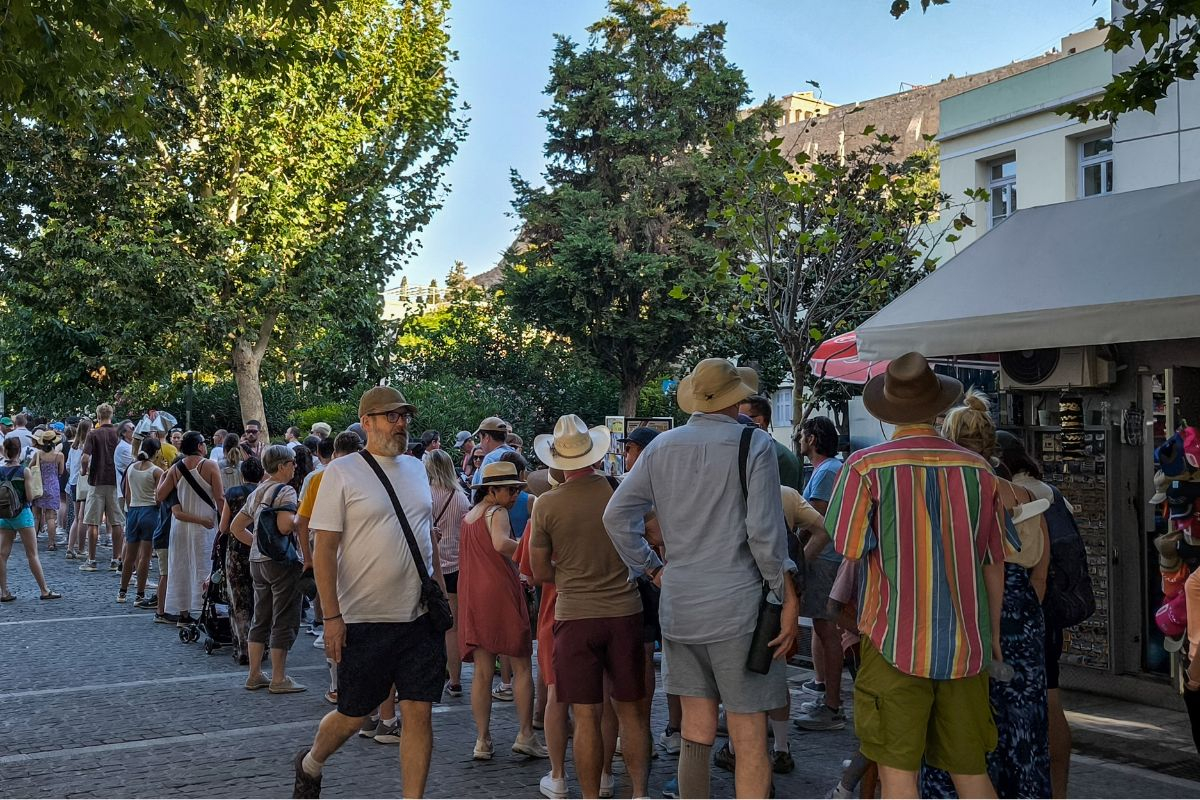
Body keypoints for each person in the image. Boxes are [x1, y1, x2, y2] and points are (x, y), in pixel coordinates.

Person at [604, 358, 798, 800]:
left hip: (681, 605)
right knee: (749, 737)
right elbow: (765, 536)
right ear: (736, 398)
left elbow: (616, 515)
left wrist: (651, 567)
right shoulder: (755, 444)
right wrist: (786, 595)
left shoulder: (662, 446)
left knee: (695, 733)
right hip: (740, 609)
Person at [826, 352, 1004, 799]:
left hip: (892, 640)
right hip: (966, 645)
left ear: (889, 410)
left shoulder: (865, 467)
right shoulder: (979, 470)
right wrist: (994, 636)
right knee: (971, 772)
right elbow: (992, 561)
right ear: (936, 406)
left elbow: (845, 547)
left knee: (898, 776)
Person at [293, 386, 446, 800]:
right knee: (352, 714)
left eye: (404, 416)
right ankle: (311, 762)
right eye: (391, 416)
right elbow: (324, 549)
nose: (401, 424)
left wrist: (442, 598)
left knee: (418, 713)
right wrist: (331, 617)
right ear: (367, 422)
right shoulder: (341, 474)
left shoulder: (417, 468)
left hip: (418, 618)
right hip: (364, 618)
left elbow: (425, 539)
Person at [921, 390, 1051, 800]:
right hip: (1025, 621)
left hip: (971, 619)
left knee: (966, 728)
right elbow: (1041, 575)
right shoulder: (1027, 497)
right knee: (1025, 726)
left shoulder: (956, 497)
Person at [531, 415, 648, 799]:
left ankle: (590, 796)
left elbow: (538, 571)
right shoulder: (619, 490)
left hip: (574, 615)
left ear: (556, 459)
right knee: (631, 713)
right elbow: (654, 534)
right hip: (624, 611)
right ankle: (638, 792)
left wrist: (569, 571)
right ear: (594, 455)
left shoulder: (546, 505)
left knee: (584, 716)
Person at [996, 429, 1077, 799]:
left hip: (1018, 615)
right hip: (1039, 614)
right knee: (1047, 703)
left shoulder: (1017, 496)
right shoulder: (1048, 493)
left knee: (1019, 715)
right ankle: (1055, 792)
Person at [457, 460, 546, 762]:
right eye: (510, 490)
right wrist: (527, 549)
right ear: (491, 490)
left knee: (482, 672)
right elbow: (500, 544)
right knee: (521, 666)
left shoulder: (470, 516)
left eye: (516, 489)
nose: (514, 495)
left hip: (474, 596)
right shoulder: (498, 513)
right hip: (500, 593)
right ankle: (526, 734)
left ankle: (482, 740)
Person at [232, 444, 306, 694]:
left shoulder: (258, 490)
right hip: (280, 562)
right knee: (284, 617)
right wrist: (301, 519)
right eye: (293, 462)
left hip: (257, 562)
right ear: (283, 465)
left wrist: (258, 543)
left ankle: (254, 674)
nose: (295, 467)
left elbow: (235, 526)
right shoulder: (286, 491)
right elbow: (285, 527)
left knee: (260, 617)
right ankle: (278, 677)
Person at [793, 415, 847, 731]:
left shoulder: (826, 471)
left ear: (812, 439)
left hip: (825, 559)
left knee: (827, 629)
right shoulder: (826, 470)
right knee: (822, 626)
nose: (800, 439)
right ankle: (827, 696)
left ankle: (832, 706)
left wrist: (797, 557)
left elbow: (815, 522)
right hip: (827, 558)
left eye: (802, 434)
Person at [156, 431, 224, 626]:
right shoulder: (210, 465)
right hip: (203, 525)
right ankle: (203, 611)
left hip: (180, 527)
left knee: (180, 568)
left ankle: (183, 614)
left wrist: (164, 475)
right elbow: (219, 497)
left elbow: (160, 496)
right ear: (200, 446)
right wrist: (225, 522)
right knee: (203, 567)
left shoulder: (177, 468)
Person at [426, 449, 469, 697]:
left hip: (432, 567)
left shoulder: (426, 496)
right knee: (452, 627)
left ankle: (432, 674)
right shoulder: (461, 497)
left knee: (426, 627)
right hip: (456, 567)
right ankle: (455, 680)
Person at [0, 437, 60, 601]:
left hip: (4, 516)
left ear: (5, 450)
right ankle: (44, 590)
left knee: (2, 555)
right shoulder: (23, 471)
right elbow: (29, 496)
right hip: (22, 514)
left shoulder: (0, 470)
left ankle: (4, 592)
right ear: (19, 451)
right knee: (32, 554)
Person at [221, 457, 264, 666]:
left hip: (237, 552)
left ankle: (242, 648)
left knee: (239, 600)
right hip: (261, 550)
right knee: (260, 599)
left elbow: (223, 527)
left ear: (242, 473)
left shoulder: (232, 493)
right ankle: (261, 647)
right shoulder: (267, 492)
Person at [80, 403, 125, 572]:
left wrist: (84, 471)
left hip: (96, 480)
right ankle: (116, 558)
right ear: (111, 415)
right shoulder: (117, 434)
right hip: (115, 481)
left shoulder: (93, 434)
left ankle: (91, 559)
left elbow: (85, 458)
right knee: (116, 521)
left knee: (93, 522)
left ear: (98, 416)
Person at [119, 437, 164, 606]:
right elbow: (159, 497)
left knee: (129, 556)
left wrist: (131, 510)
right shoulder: (157, 471)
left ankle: (122, 591)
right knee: (145, 557)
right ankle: (140, 594)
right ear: (157, 452)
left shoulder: (131, 468)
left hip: (133, 511)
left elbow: (127, 494)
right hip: (149, 511)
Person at [739, 395, 802, 491]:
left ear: (759, 420)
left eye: (741, 419)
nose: (736, 423)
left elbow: (785, 499)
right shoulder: (758, 450)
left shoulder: (779, 456)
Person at [31, 429, 65, 551]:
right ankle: (51, 543)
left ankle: (33, 542)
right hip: (53, 486)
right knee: (51, 516)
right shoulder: (59, 455)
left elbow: (30, 468)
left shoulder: (38, 454)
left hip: (38, 486)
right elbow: (61, 472)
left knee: (36, 516)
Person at [66, 418, 91, 560]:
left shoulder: (73, 447)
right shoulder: (87, 448)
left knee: (77, 517)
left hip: (73, 483)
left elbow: (69, 466)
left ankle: (70, 547)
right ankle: (81, 548)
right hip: (85, 482)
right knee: (83, 517)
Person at [470, 416, 514, 485]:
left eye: (480, 438)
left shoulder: (490, 459)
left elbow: (483, 492)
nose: (480, 444)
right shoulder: (513, 453)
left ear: (487, 437)